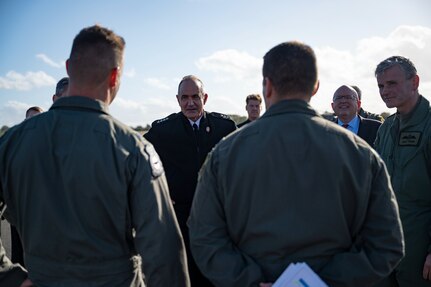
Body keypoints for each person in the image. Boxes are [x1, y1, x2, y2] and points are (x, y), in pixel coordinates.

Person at [188, 41, 404, 287]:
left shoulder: (224, 154)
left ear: (267, 86)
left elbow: (204, 237)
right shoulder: (360, 154)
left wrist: (248, 281)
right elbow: (387, 244)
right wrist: (324, 283)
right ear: (315, 87)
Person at [0, 25, 189, 287]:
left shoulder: (13, 142)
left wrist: (8, 275)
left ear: (68, 67)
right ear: (114, 77)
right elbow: (163, 249)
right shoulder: (133, 149)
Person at [144, 75, 236, 286]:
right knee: (185, 271)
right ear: (178, 100)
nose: (190, 103)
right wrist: (159, 192)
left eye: (195, 97)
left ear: (205, 97)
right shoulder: (163, 130)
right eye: (185, 98)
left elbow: (241, 163)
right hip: (180, 216)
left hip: (217, 214)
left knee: (216, 269)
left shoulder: (224, 127)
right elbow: (140, 157)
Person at [374, 56, 431, 287]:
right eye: (380, 86)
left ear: (414, 82)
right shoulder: (386, 128)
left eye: (392, 83)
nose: (385, 91)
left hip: (419, 247)